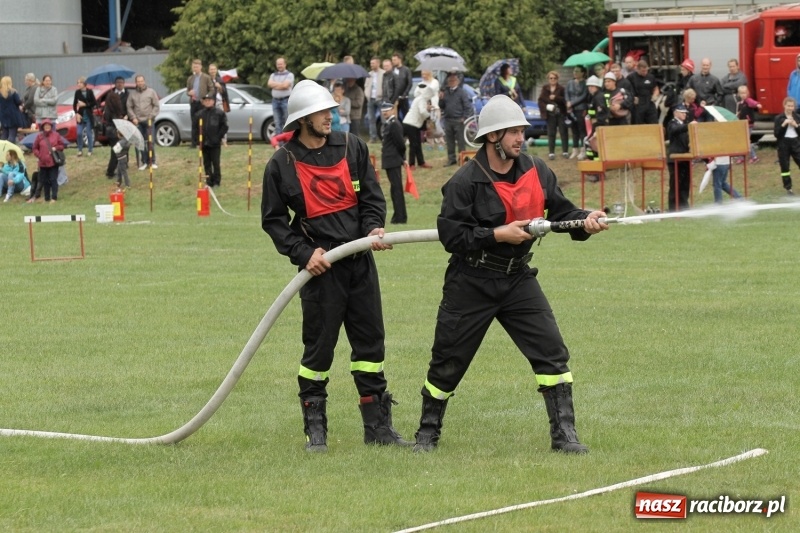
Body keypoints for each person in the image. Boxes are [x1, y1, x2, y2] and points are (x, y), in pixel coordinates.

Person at [411, 94, 609, 454]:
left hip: (518, 279)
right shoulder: (464, 182)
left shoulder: (537, 170)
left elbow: (562, 214)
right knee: (447, 360)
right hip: (471, 280)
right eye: (513, 132)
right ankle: (427, 433)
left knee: (552, 352)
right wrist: (496, 234)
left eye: (522, 131)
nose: (521, 138)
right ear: (492, 137)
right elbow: (452, 236)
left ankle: (564, 436)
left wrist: (587, 221)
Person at [261, 79, 411, 452]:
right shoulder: (282, 163)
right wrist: (303, 253)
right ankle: (316, 431)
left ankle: (377, 427)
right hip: (320, 269)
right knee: (318, 352)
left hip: (359, 263)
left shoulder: (352, 146)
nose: (330, 117)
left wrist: (373, 227)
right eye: (322, 112)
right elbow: (274, 220)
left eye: (331, 110)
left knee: (370, 346)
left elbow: (372, 197)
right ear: (302, 119)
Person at [381, 101, 407, 224]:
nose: (385, 112)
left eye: (387, 110)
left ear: (392, 110)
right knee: (394, 189)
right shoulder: (388, 124)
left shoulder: (394, 124)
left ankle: (400, 217)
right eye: (383, 111)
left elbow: (400, 144)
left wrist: (403, 158)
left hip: (394, 160)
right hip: (390, 160)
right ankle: (398, 216)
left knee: (397, 189)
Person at [195, 92, 228, 188]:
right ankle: (209, 180)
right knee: (206, 163)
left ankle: (217, 181)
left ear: (213, 101)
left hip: (215, 143)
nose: (208, 102)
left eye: (209, 100)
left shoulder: (219, 113)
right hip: (204, 143)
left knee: (216, 162)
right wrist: (198, 141)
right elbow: (196, 128)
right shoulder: (199, 114)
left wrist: (218, 137)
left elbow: (224, 126)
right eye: (206, 100)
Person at [127, 74, 160, 170]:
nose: (140, 83)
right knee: (140, 142)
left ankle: (152, 161)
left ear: (144, 81)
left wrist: (151, 116)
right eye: (138, 81)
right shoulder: (132, 94)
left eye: (141, 81)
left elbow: (156, 106)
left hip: (149, 121)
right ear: (136, 83)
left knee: (150, 142)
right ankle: (144, 161)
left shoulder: (151, 92)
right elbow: (129, 107)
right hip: (138, 122)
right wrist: (133, 117)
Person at [440, 71, 472, 167]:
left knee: (460, 141)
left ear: (457, 82)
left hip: (458, 120)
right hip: (448, 119)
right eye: (450, 81)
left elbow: (467, 106)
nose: (452, 82)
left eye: (453, 80)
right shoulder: (445, 92)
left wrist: (464, 117)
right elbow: (442, 106)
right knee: (449, 141)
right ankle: (451, 159)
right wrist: (440, 99)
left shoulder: (462, 92)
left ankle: (462, 158)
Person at [402, 81, 435, 170]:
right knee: (413, 144)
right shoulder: (421, 99)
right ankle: (411, 164)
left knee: (417, 143)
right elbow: (422, 112)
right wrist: (429, 117)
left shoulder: (420, 99)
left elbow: (422, 110)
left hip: (414, 124)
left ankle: (421, 162)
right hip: (411, 124)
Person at [31, 118, 64, 204]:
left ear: (51, 126)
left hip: (53, 162)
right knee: (45, 181)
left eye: (48, 125)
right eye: (45, 125)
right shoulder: (39, 136)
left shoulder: (56, 135)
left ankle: (54, 197)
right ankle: (46, 198)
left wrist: (55, 148)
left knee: (53, 179)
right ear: (43, 127)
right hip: (43, 163)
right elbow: (34, 148)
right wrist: (39, 155)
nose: (47, 127)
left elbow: (62, 146)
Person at [538, 70, 569, 160]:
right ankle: (551, 152)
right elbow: (540, 101)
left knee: (563, 132)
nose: (553, 79)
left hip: (561, 113)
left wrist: (556, 98)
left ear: (557, 79)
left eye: (554, 78)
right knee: (551, 133)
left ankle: (565, 151)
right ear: (548, 79)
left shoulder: (561, 88)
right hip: (550, 114)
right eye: (551, 78)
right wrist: (546, 106)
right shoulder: (545, 88)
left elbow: (564, 100)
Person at [667, 103, 692, 210]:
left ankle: (684, 206)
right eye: (682, 113)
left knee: (685, 184)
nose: (684, 115)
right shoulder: (672, 123)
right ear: (675, 113)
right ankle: (673, 208)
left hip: (685, 158)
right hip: (674, 159)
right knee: (675, 184)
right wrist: (689, 126)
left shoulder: (684, 125)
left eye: (685, 113)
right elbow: (675, 130)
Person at [103, 77, 129, 178]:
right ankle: (110, 172)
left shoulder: (108, 106)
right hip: (114, 130)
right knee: (116, 151)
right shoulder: (113, 108)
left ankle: (120, 168)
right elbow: (113, 119)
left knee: (119, 150)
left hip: (111, 130)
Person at [774, 96, 800, 196]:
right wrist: (784, 124)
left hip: (795, 143)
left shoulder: (797, 117)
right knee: (785, 167)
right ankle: (788, 189)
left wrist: (796, 125)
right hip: (783, 144)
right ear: (784, 106)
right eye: (788, 106)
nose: (790, 108)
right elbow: (776, 134)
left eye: (792, 106)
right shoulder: (778, 118)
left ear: (794, 107)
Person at [186, 59, 214, 148]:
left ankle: (204, 142)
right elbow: (187, 90)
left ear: (201, 67)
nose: (195, 68)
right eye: (194, 67)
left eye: (197, 67)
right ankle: (194, 143)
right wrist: (189, 93)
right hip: (194, 103)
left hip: (202, 103)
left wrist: (206, 97)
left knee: (203, 123)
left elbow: (212, 89)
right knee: (194, 123)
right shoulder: (190, 78)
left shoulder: (206, 77)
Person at [565, 66, 589, 160]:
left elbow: (584, 96)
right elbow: (566, 93)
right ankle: (575, 149)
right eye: (574, 71)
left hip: (581, 108)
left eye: (577, 71)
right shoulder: (570, 83)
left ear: (583, 73)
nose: (575, 72)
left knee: (582, 130)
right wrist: (567, 102)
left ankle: (583, 150)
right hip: (571, 109)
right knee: (574, 130)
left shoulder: (585, 83)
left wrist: (572, 103)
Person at [734, 85, 762, 163]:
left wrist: (757, 104)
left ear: (747, 93)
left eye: (744, 93)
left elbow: (753, 103)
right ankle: (742, 157)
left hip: (748, 124)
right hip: (742, 124)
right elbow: (740, 112)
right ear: (739, 94)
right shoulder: (739, 103)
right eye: (741, 93)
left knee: (746, 140)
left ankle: (754, 157)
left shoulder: (748, 101)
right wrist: (737, 114)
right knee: (742, 140)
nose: (743, 95)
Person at [627, 60, 659, 125]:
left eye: (646, 70)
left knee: (654, 122)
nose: (645, 72)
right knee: (638, 123)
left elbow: (655, 88)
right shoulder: (631, 77)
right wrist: (633, 98)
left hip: (649, 101)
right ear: (637, 69)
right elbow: (627, 90)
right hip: (638, 103)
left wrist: (655, 95)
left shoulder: (651, 77)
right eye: (643, 71)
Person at [268, 57, 294, 136]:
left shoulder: (290, 75)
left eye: (281, 64)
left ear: (285, 64)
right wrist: (281, 85)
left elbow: (285, 86)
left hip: (286, 100)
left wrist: (275, 85)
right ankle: (279, 143)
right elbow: (269, 84)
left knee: (287, 122)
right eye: (278, 64)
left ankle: (287, 142)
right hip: (275, 101)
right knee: (277, 122)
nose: (279, 66)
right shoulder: (273, 75)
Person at [72, 76, 97, 157]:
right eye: (77, 83)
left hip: (88, 115)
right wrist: (76, 113)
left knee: (89, 133)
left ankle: (90, 150)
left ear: (84, 84)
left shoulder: (90, 92)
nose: (78, 84)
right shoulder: (77, 92)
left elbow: (94, 103)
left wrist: (85, 104)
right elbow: (74, 104)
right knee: (79, 133)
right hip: (81, 116)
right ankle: (80, 150)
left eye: (80, 82)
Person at [364, 57, 384, 142]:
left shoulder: (384, 73)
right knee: (371, 119)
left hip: (380, 99)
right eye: (371, 63)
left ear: (378, 63)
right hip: (370, 99)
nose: (371, 65)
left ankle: (385, 137)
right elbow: (366, 85)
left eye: (373, 63)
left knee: (383, 119)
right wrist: (367, 94)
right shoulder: (369, 74)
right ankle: (373, 137)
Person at [0, 76, 25, 142]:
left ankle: (2, 149)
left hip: (3, 115)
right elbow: (18, 102)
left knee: (4, 134)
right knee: (12, 134)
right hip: (12, 115)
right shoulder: (13, 92)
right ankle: (10, 150)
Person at [391, 52, 413, 120]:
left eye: (394, 60)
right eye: (392, 60)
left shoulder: (406, 70)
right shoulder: (392, 70)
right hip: (394, 98)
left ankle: (406, 130)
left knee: (406, 117)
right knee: (394, 117)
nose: (393, 62)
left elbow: (410, 83)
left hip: (403, 98)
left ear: (399, 60)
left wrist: (405, 94)